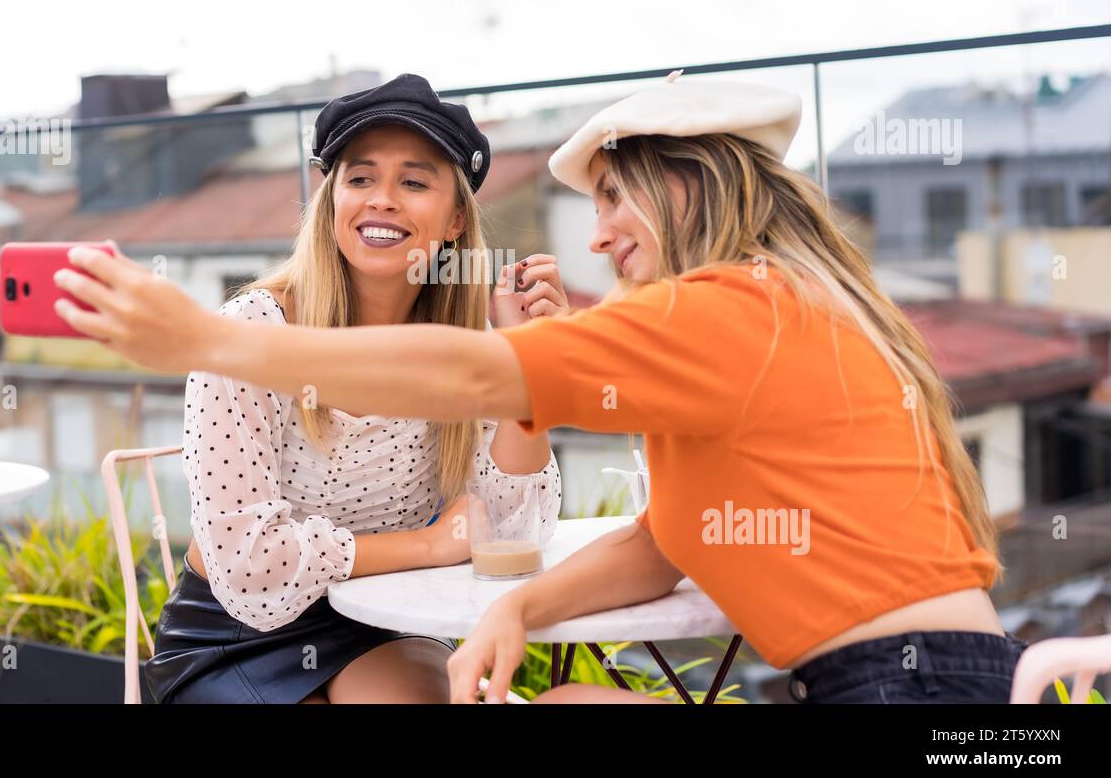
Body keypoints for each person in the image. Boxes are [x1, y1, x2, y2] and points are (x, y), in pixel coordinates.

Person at [54, 71, 1024, 705]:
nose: (596, 236)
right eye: (358, 177)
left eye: (609, 198)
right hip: (944, 688)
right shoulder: (774, 310)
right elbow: (659, 541)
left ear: (686, 183)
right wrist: (518, 608)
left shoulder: (722, 310)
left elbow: (477, 387)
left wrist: (202, 335)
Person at [139, 74, 561, 703]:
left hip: (383, 620)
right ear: (332, 201)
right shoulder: (253, 332)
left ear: (452, 221)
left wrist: (526, 364)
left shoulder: (465, 347)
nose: (382, 200)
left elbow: (504, 527)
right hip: (236, 629)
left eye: (414, 182)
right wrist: (422, 545)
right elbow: (249, 561)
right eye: (360, 179)